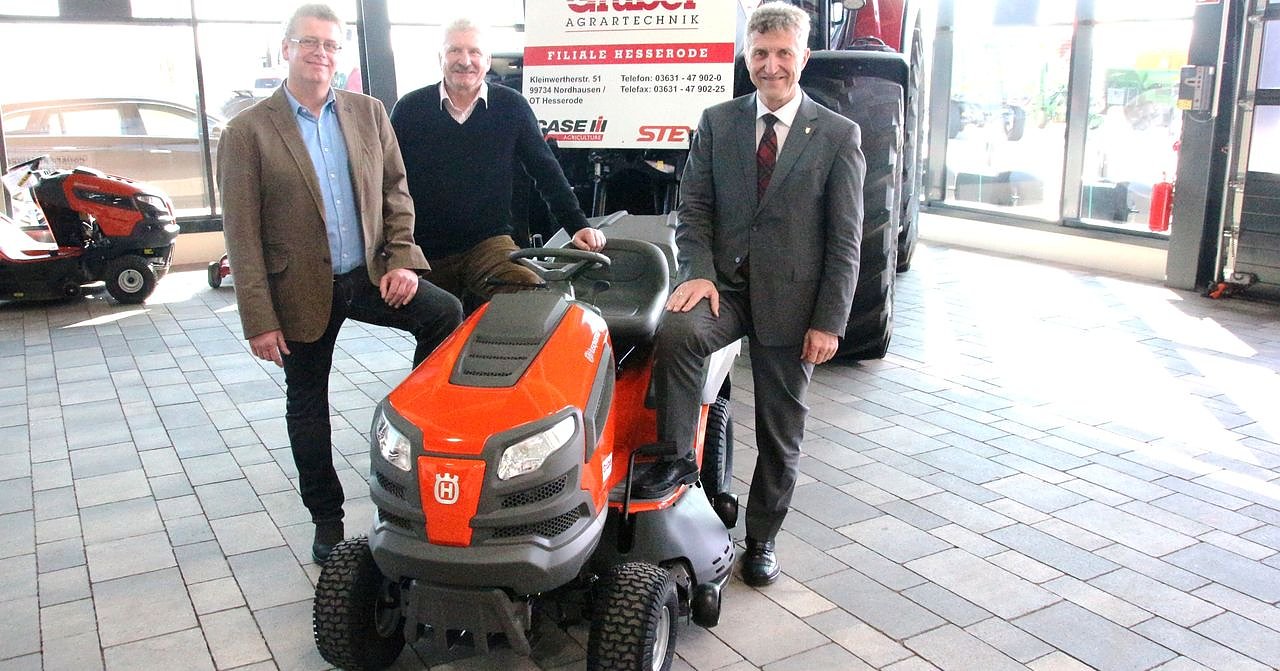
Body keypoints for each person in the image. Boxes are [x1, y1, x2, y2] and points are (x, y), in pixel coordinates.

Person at [217, 3, 463, 564]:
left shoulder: (368, 112)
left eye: (330, 45)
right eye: (310, 42)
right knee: (308, 403)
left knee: (444, 313)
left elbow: (396, 191)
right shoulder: (248, 132)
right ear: (286, 49)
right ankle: (327, 521)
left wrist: (402, 260)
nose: (320, 54)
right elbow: (241, 234)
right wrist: (259, 319)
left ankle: (410, 436)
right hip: (300, 290)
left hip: (370, 274)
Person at [639, 2, 865, 587]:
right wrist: (697, 272)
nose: (771, 66)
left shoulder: (837, 135)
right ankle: (677, 472)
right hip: (726, 290)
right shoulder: (719, 122)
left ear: (803, 57)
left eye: (783, 53)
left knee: (779, 430)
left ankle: (762, 539)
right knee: (678, 331)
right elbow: (694, 210)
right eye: (760, 53)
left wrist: (829, 321)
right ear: (746, 56)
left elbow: (845, 239)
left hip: (794, 303)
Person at [390, 17, 605, 305]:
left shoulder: (511, 106)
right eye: (454, 51)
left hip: (488, 244)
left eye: (474, 52)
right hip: (425, 251)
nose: (465, 61)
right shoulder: (409, 110)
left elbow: (546, 171)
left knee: (532, 298)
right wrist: (397, 256)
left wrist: (577, 225)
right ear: (440, 57)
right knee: (440, 317)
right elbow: (388, 184)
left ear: (488, 60)